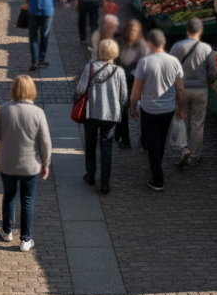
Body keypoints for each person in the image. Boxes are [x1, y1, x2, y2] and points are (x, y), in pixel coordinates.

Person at [0, 75, 51, 252]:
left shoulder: (4, 109)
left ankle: (7, 231)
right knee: (27, 200)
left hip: (7, 163)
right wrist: (45, 163)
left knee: (9, 196)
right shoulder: (38, 113)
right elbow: (45, 142)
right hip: (30, 164)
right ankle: (26, 238)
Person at [130, 29, 185, 191]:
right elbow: (180, 90)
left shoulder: (144, 62)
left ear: (149, 44)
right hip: (168, 109)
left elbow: (135, 91)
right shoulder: (174, 61)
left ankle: (157, 178)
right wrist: (181, 109)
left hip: (149, 109)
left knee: (153, 143)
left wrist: (133, 108)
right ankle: (157, 167)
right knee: (160, 141)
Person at [74, 39, 127, 194]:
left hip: (91, 113)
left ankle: (90, 175)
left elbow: (80, 89)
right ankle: (105, 182)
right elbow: (123, 97)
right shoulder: (119, 71)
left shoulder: (90, 67)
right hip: (110, 115)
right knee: (107, 148)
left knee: (90, 145)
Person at [169, 17, 217, 167]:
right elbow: (213, 72)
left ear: (187, 31)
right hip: (200, 90)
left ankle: (184, 148)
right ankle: (195, 155)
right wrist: (208, 82)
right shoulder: (206, 49)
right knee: (197, 123)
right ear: (200, 31)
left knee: (180, 118)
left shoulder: (177, 47)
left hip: (181, 89)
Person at [22, 0, 66, 71]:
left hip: (33, 10)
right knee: (45, 35)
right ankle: (41, 59)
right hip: (47, 11)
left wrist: (28, 1)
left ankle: (34, 61)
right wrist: (63, 1)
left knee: (33, 36)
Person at [115, 19, 150, 149]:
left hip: (137, 81)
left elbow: (145, 64)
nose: (131, 32)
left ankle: (144, 141)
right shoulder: (120, 43)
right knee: (123, 109)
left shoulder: (142, 45)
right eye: (129, 29)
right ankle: (124, 138)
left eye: (134, 30)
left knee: (144, 110)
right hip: (122, 80)